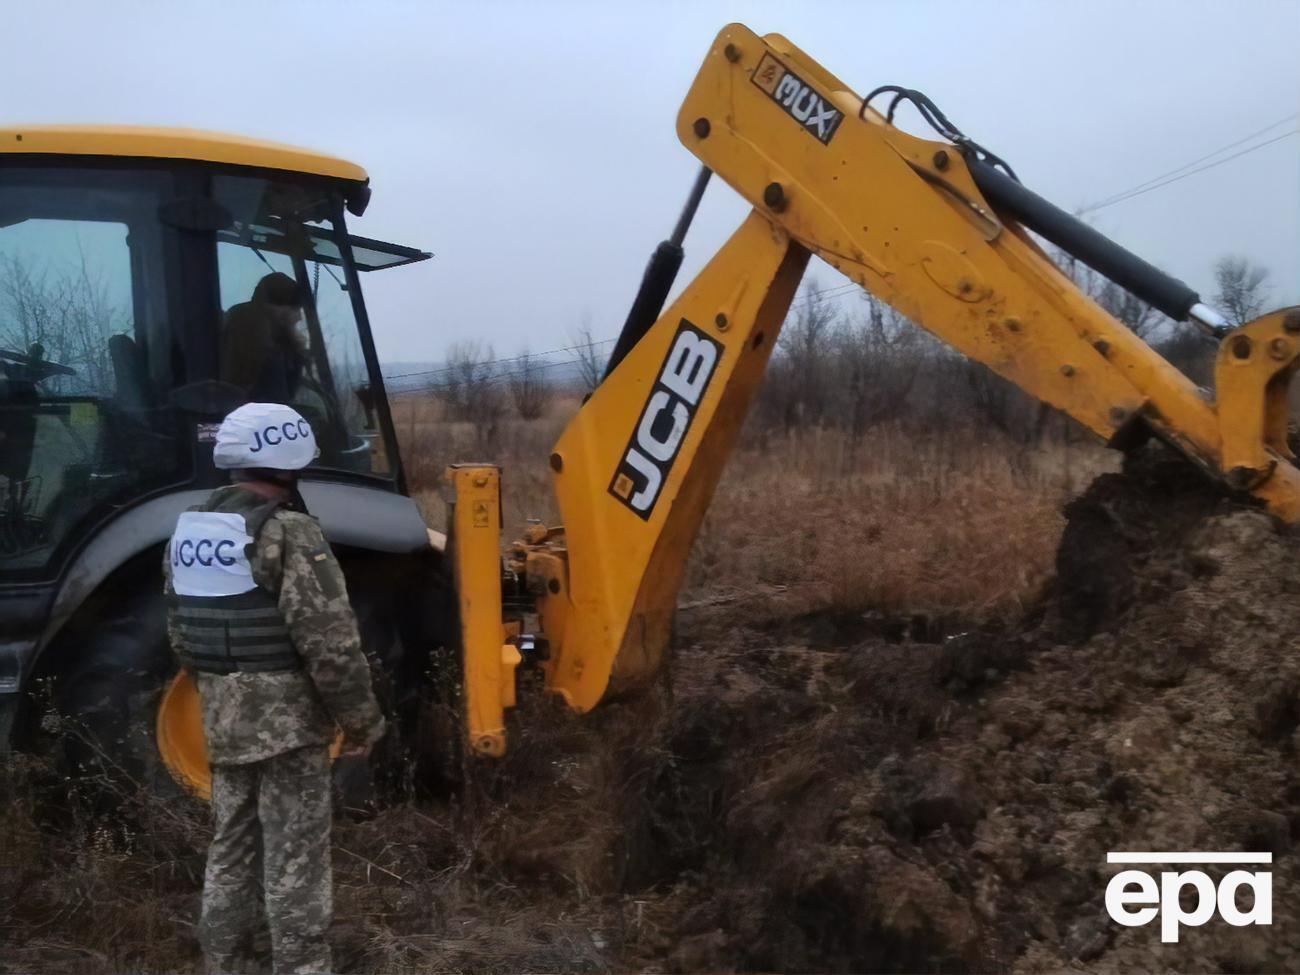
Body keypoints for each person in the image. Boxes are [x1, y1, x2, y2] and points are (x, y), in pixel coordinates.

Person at [163, 402, 385, 974]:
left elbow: (181, 633)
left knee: (230, 850)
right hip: (289, 728)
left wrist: (223, 690)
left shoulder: (191, 529)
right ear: (290, 460)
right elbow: (330, 643)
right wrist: (361, 722)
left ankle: (227, 964)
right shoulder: (290, 532)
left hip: (222, 719)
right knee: (295, 860)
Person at [220, 273, 310, 402]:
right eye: (295, 309)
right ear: (277, 308)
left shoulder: (279, 344)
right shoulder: (257, 341)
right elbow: (279, 401)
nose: (299, 317)